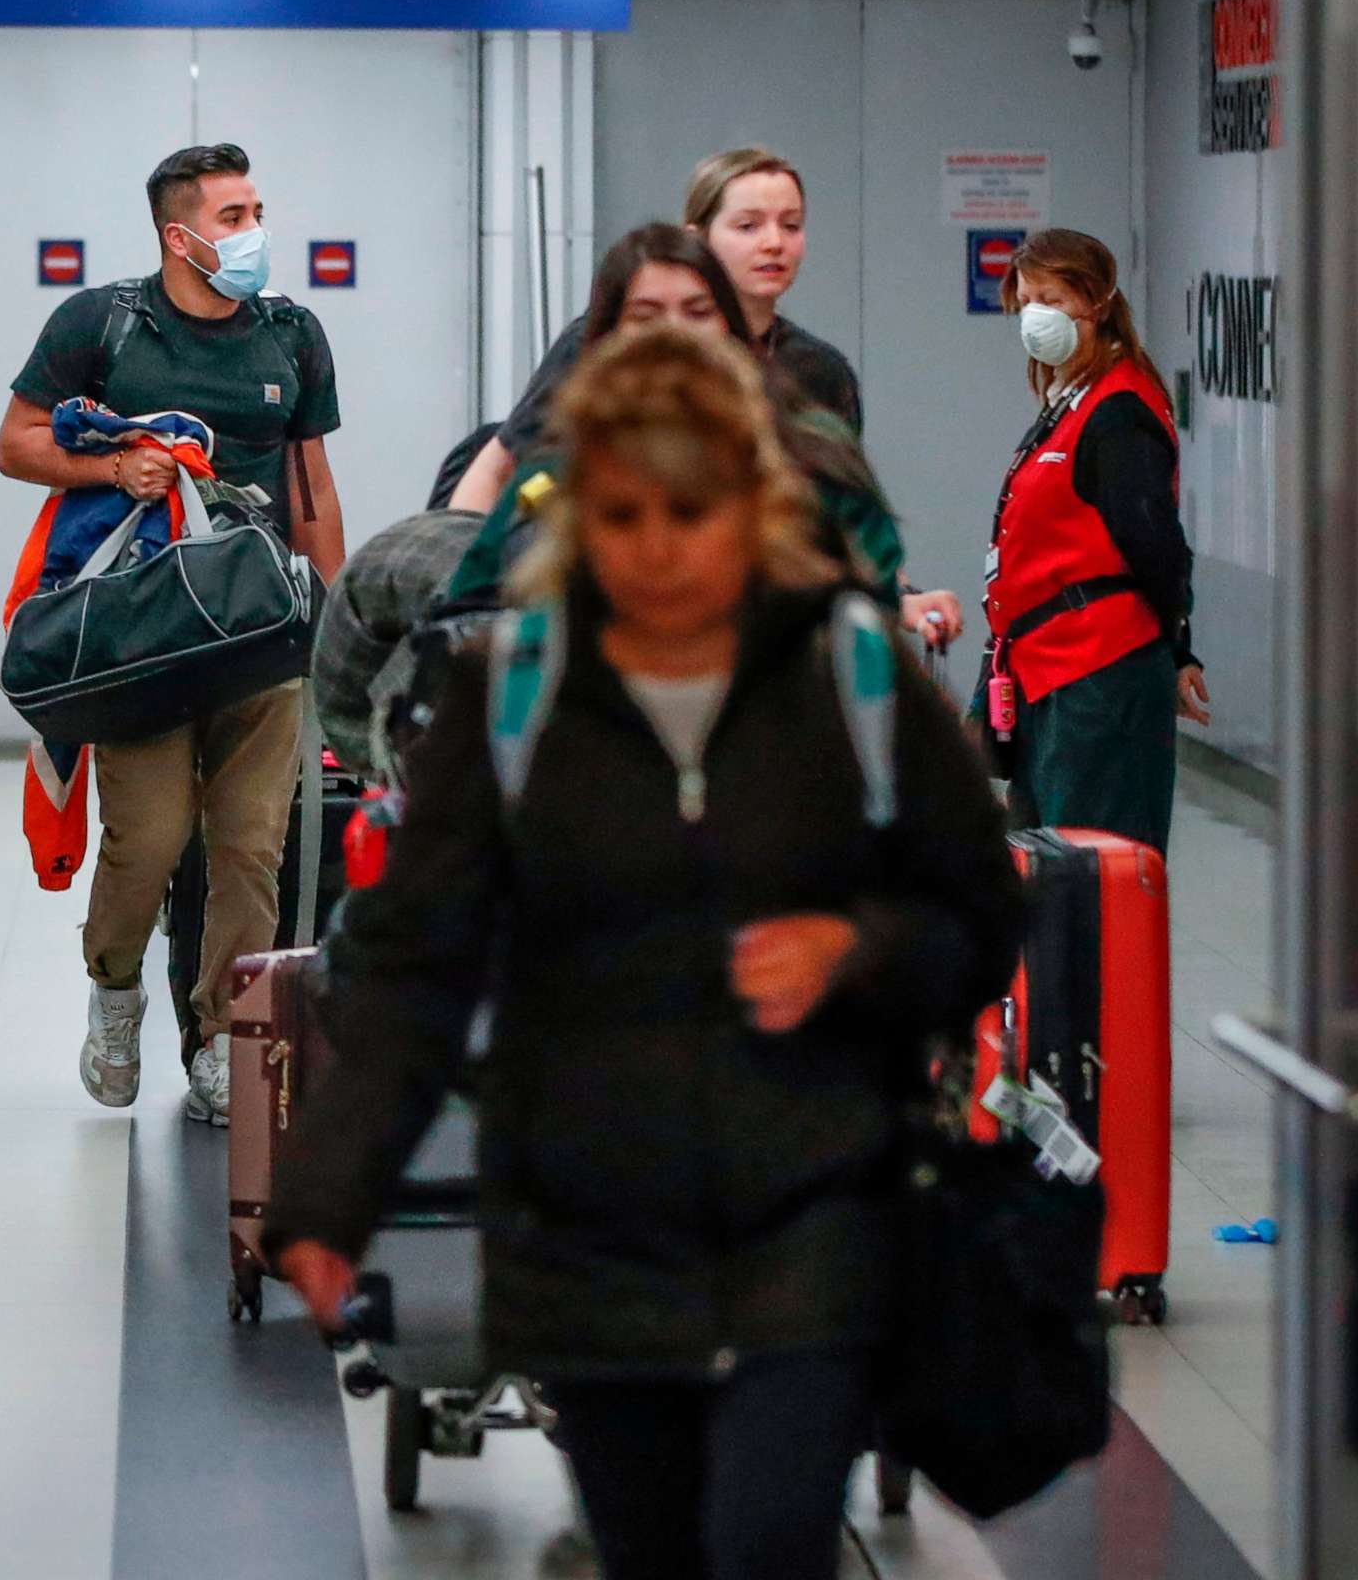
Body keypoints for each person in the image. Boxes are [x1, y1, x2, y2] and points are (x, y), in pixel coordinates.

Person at [265, 324, 1022, 1580]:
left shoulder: (852, 675)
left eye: (691, 509)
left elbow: (981, 914)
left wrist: (857, 948)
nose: (657, 548)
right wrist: (332, 1192)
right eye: (622, 514)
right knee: (650, 1549)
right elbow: (414, 963)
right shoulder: (515, 694)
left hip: (816, 1200)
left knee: (771, 1541)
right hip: (587, 1222)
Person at [0, 142, 346, 1126]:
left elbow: (311, 486)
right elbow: (17, 441)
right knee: (146, 840)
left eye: (256, 209)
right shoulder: (103, 324)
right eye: (234, 216)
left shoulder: (291, 335)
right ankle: (115, 987)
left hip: (261, 625)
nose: (253, 233)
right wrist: (116, 472)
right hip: (148, 630)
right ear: (177, 233)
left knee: (251, 850)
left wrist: (336, 621)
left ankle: (225, 1040)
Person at [439, 224, 949, 634]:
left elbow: (873, 605)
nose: (673, 333)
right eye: (646, 314)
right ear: (605, 336)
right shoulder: (552, 470)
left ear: (728, 325)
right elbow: (465, 605)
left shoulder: (814, 453)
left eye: (697, 311)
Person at [448, 147, 861, 513]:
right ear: (697, 239)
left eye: (791, 225)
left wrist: (896, 593)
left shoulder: (819, 371)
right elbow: (498, 466)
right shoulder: (599, 343)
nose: (774, 243)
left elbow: (852, 520)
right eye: (748, 226)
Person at [985, 228, 1211, 852]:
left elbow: (1158, 547)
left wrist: (1178, 648)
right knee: (1042, 871)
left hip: (1097, 672)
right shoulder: (1070, 397)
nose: (1038, 317)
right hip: (1045, 669)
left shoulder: (1119, 411)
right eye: (1029, 300)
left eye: (1055, 300)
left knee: (1090, 870)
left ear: (1099, 302)